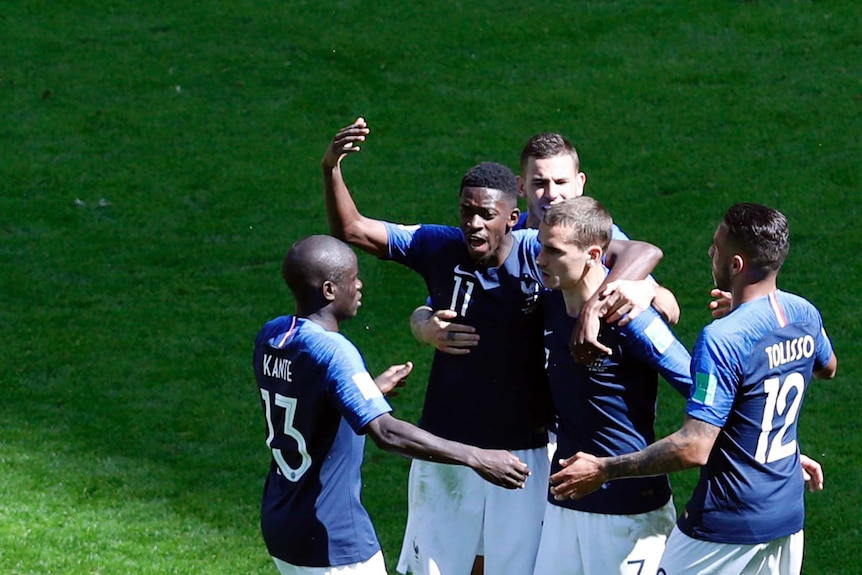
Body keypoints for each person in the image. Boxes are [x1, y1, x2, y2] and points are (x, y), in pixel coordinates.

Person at [322, 118, 661, 575]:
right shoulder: (438, 245)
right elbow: (354, 230)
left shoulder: (541, 254)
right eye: (467, 211)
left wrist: (597, 307)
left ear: (512, 217)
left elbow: (641, 252)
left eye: (486, 214)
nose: (474, 224)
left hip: (524, 449)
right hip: (444, 445)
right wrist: (332, 168)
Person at [549, 203, 838, 575]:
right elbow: (826, 368)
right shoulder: (805, 313)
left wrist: (604, 469)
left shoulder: (723, 338)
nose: (709, 254)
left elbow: (693, 447)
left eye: (716, 248)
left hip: (725, 523)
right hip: (786, 515)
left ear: (735, 265)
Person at [254, 234, 531, 575]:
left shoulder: (273, 335)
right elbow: (386, 433)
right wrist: (476, 457)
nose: (359, 285)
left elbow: (307, 398)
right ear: (329, 290)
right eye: (351, 279)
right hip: (332, 536)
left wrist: (367, 391)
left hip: (281, 521)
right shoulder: (334, 351)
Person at [411, 132, 680, 362]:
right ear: (521, 186)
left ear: (580, 184)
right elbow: (432, 306)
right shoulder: (502, 239)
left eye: (561, 182)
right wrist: (425, 328)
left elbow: (670, 309)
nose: (552, 194)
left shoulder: (599, 240)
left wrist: (644, 290)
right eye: (540, 183)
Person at [529, 197, 693, 575]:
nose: (540, 260)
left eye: (554, 251)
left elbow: (704, 393)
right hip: (564, 504)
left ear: (594, 255)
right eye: (541, 246)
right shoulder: (548, 304)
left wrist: (772, 452)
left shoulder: (632, 319)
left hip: (629, 512)